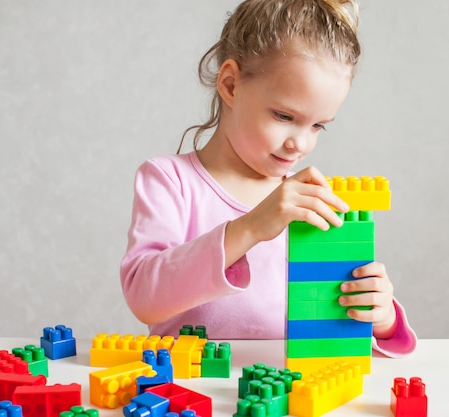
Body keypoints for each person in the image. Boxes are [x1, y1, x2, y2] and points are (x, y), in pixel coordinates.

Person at [121, 0, 416, 357]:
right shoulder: (171, 181)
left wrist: (380, 317)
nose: (301, 143)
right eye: (283, 115)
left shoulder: (311, 200)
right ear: (230, 85)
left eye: (318, 125)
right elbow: (143, 298)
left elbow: (334, 325)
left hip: (287, 389)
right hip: (191, 390)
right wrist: (250, 227)